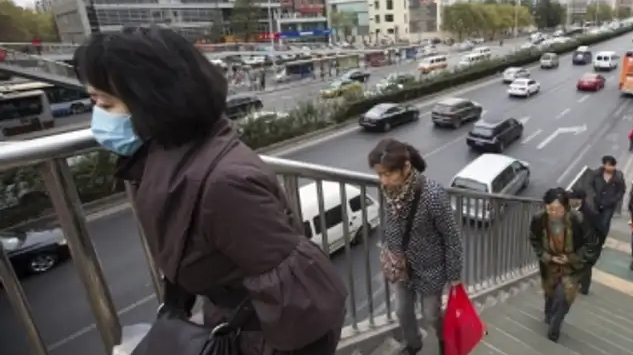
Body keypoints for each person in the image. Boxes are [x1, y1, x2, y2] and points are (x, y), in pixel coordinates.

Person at [74, 27, 347, 355]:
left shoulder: (223, 184)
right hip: (233, 325)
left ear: (154, 101)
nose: (99, 117)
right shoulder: (174, 159)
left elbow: (306, 315)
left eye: (105, 102)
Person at [368, 138, 463, 355]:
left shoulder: (432, 195)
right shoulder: (387, 191)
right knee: (402, 311)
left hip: (430, 269)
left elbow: (451, 237)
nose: (383, 181)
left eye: (388, 174)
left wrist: (455, 276)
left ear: (406, 167)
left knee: (432, 315)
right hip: (401, 266)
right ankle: (414, 344)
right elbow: (390, 222)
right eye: (379, 174)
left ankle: (444, 341)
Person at [529, 188, 599, 342]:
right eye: (551, 209)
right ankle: (549, 312)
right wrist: (548, 257)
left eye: (559, 209)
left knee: (564, 297)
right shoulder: (539, 219)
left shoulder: (577, 219)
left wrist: (571, 258)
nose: (554, 213)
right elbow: (534, 240)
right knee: (550, 293)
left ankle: (555, 326)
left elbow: (591, 245)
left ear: (566, 208)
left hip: (572, 268)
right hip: (549, 266)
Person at [566, 189, 603, 295]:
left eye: (570, 199)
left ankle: (584, 287)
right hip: (575, 241)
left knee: (585, 265)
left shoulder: (590, 214)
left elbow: (600, 229)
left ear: (579, 200)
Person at [588, 155, 627, 242]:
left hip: (609, 204)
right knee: (594, 221)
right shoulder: (596, 174)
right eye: (607, 164)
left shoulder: (618, 177)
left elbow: (621, 190)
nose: (609, 167)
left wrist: (614, 200)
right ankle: (593, 237)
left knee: (604, 222)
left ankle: (601, 240)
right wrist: (593, 195)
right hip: (596, 202)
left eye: (611, 165)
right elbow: (589, 185)